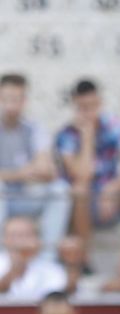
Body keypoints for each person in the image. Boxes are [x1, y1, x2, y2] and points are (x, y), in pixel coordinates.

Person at [53, 78, 120, 244]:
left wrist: (111, 189)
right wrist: (87, 137)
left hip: (110, 194)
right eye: (84, 107)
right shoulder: (66, 135)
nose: (89, 112)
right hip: (82, 201)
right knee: (80, 190)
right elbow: (82, 175)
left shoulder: (116, 126)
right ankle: (83, 258)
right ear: (75, 106)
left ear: (100, 102)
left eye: (93, 106)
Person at [1, 73, 70, 248]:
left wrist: (10, 175)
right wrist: (21, 173)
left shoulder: (35, 128)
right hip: (4, 197)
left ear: (24, 101)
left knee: (60, 190)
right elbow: (35, 169)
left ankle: (48, 256)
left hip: (25, 196)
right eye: (6, 98)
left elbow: (46, 171)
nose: (10, 104)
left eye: (16, 99)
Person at [0, 213, 67, 303]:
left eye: (26, 235)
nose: (20, 241)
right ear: (4, 239)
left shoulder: (53, 269)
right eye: (14, 235)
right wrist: (16, 267)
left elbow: (55, 302)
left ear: (37, 239)